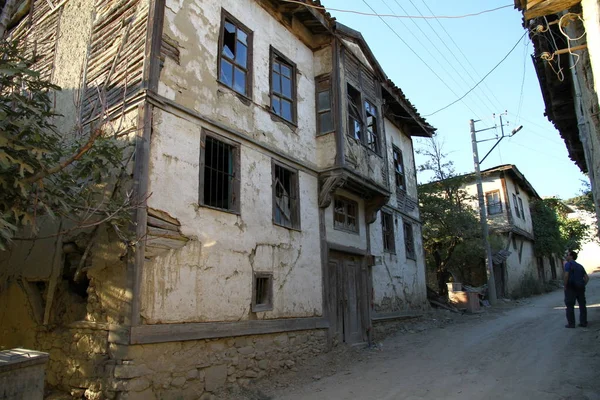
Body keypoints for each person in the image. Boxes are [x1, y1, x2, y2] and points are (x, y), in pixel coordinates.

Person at [563, 250, 589, 328]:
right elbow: (587, 278)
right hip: (580, 287)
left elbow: (566, 275)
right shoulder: (580, 266)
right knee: (582, 305)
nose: (566, 256)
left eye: (567, 255)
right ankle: (583, 322)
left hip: (571, 287)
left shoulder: (568, 264)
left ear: (571, 256)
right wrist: (583, 284)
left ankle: (571, 324)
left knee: (570, 305)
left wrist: (565, 285)